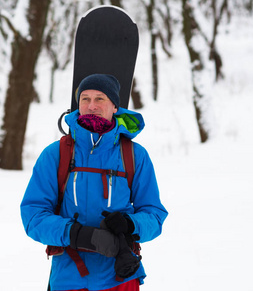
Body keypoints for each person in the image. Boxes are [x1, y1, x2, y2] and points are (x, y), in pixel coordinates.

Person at [20, 74, 168, 291]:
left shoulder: (134, 155)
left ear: (115, 106)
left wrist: (130, 224)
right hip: (69, 278)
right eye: (85, 99)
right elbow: (33, 215)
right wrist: (75, 234)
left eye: (100, 99)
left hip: (120, 276)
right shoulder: (56, 154)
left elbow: (154, 215)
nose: (91, 106)